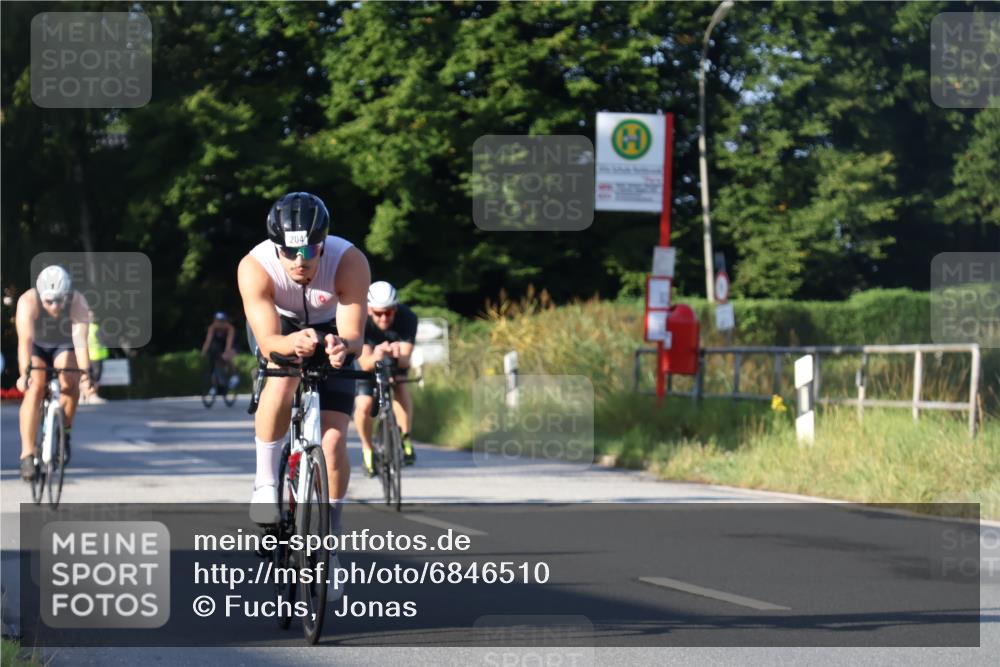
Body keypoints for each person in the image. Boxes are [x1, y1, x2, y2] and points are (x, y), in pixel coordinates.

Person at [237, 192, 369, 595]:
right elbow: (267, 341)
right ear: (276, 246)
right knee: (284, 376)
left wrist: (342, 347)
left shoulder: (349, 261)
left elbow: (354, 336)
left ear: (323, 244)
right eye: (289, 251)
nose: (300, 260)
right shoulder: (255, 266)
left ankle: (329, 545)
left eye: (310, 250)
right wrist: (291, 344)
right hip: (279, 328)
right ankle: (265, 483)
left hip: (331, 330)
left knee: (333, 442)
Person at [15, 265, 97, 479]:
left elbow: (81, 342)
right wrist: (24, 375)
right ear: (40, 295)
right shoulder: (27, 301)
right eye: (49, 301)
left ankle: (64, 431)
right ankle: (27, 454)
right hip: (37, 346)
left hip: (63, 344)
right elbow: (25, 342)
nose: (55, 306)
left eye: (59, 300)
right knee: (35, 387)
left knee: (71, 379)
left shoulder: (77, 302)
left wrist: (85, 375)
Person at [353, 281, 417, 476]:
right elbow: (365, 364)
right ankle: (367, 449)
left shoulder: (407, 317)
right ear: (369, 309)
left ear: (395, 308)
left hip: (394, 363)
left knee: (401, 387)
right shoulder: (360, 319)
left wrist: (397, 354)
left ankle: (405, 439)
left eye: (389, 312)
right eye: (378, 313)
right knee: (364, 404)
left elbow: (405, 361)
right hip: (370, 361)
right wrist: (378, 353)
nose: (383, 318)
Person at [200, 311, 237, 391]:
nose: (220, 323)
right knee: (214, 364)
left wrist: (227, 352)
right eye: (218, 321)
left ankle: (234, 376)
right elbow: (208, 341)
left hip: (230, 345)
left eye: (222, 321)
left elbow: (229, 342)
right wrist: (204, 351)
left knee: (227, 357)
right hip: (219, 347)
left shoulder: (230, 328)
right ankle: (214, 386)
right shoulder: (212, 328)